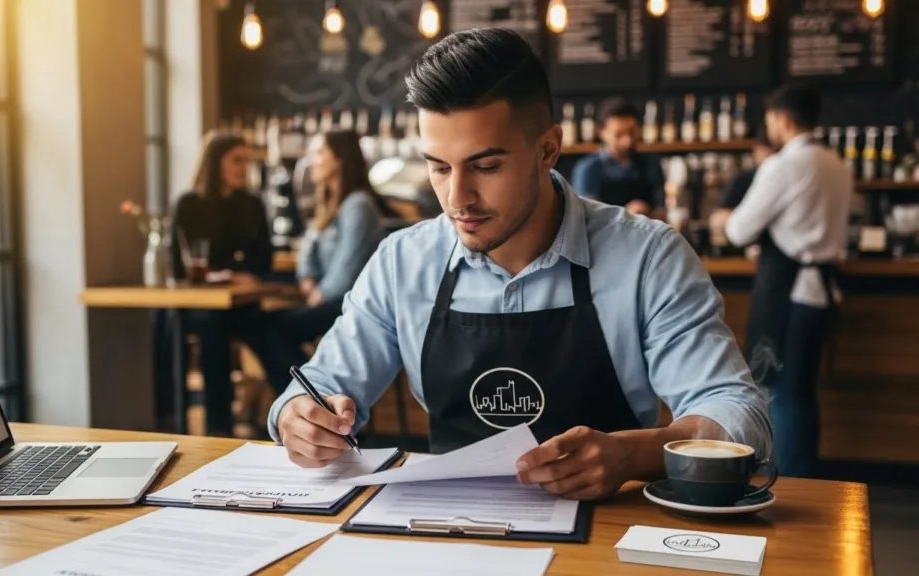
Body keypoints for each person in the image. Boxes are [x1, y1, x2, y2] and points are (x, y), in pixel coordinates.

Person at [268, 28, 771, 501]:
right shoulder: (403, 262)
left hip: (606, 539)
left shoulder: (647, 257)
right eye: (439, 167)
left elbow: (738, 414)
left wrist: (632, 455)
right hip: (448, 529)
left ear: (547, 149)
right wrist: (299, 417)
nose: (457, 197)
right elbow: (319, 383)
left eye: (486, 166)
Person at [714, 86, 852, 479]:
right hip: (823, 293)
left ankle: (790, 482)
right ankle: (802, 475)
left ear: (783, 119)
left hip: (789, 294)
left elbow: (740, 230)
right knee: (802, 393)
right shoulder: (835, 162)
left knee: (781, 391)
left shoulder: (784, 165)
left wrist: (723, 220)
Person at [256, 129, 389, 391]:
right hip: (332, 301)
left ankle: (314, 402)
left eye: (318, 153)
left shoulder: (358, 205)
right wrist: (306, 276)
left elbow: (348, 270)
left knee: (275, 331)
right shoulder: (330, 204)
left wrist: (318, 294)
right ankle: (307, 400)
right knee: (263, 326)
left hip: (352, 306)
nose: (311, 159)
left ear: (338, 159)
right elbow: (308, 248)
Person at [170, 131, 273, 436]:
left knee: (271, 331)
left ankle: (294, 413)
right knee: (212, 326)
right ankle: (219, 428)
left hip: (241, 303)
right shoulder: (188, 204)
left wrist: (230, 271)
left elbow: (263, 260)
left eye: (247, 161)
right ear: (216, 163)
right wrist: (231, 269)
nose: (244, 168)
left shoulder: (253, 204)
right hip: (201, 306)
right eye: (237, 160)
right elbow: (180, 265)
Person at [570, 98, 665, 218]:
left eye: (631, 132)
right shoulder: (588, 169)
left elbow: (662, 212)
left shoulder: (651, 164)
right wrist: (627, 214)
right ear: (601, 132)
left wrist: (648, 213)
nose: (627, 141)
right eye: (618, 135)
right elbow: (586, 219)